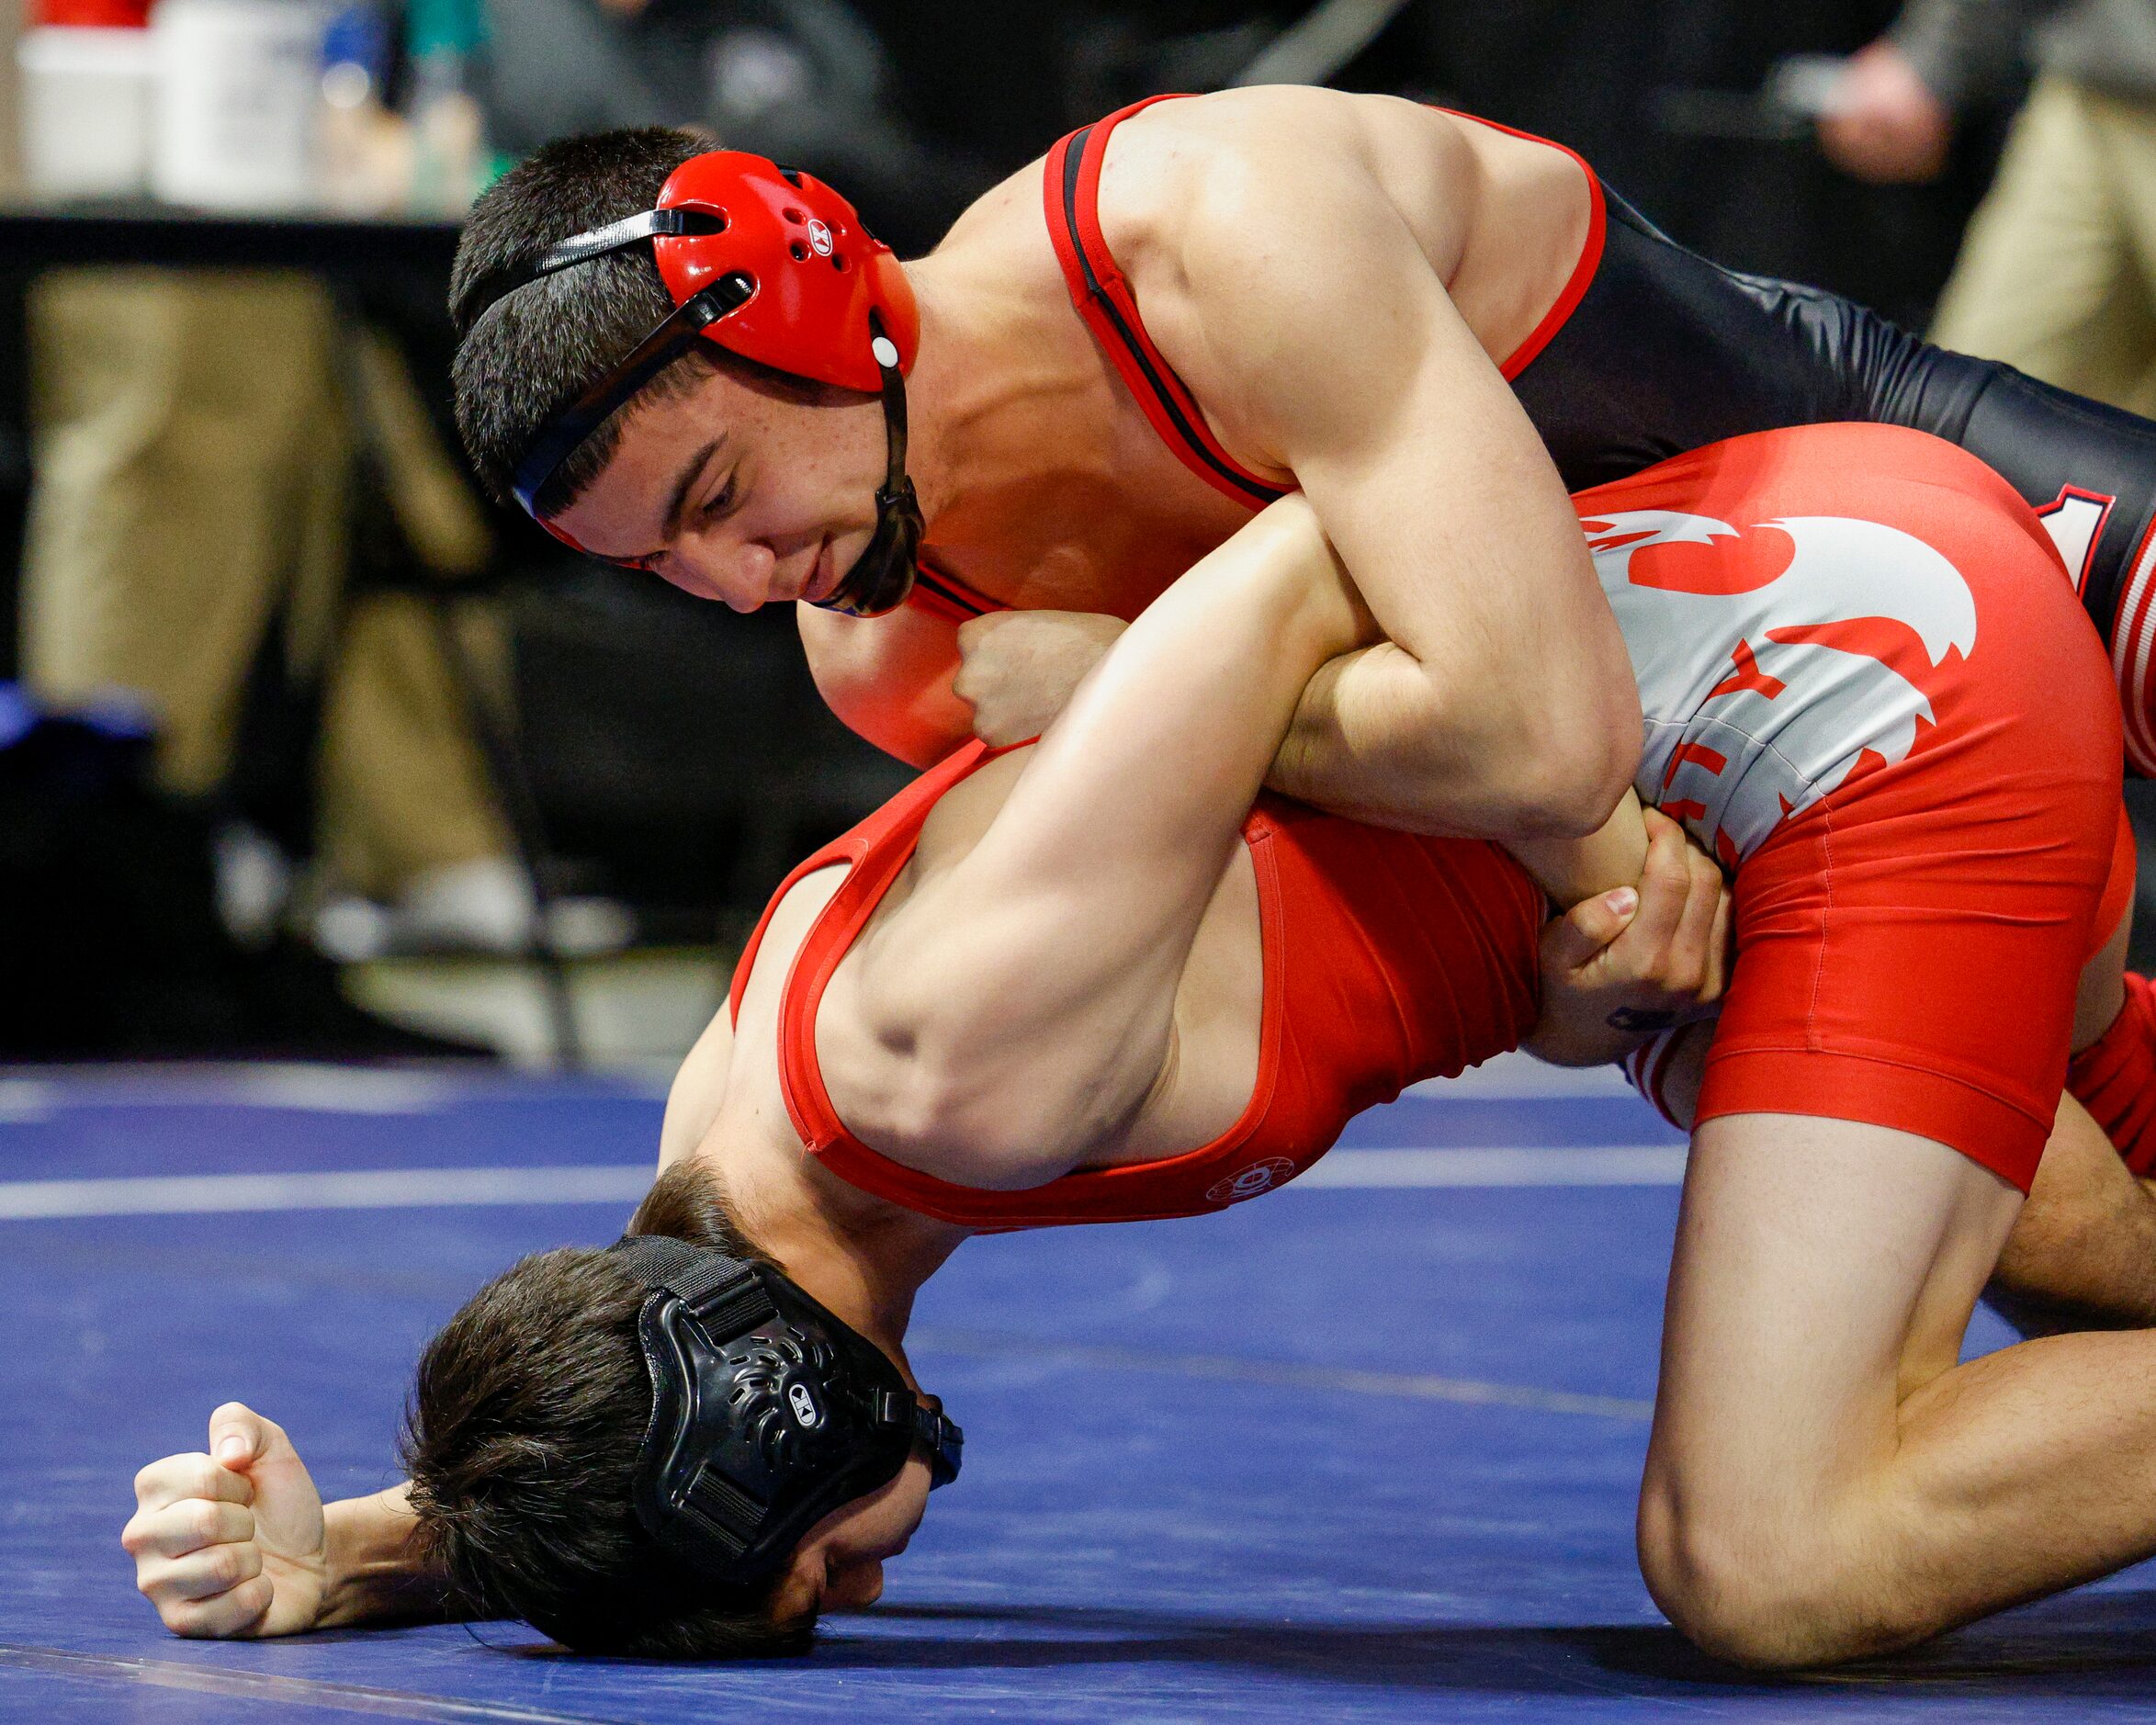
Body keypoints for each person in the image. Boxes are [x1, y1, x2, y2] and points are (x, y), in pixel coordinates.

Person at [126, 422, 2152, 1669]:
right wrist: (379, 1554)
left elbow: (1299, 561)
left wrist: (1601, 853)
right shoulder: (738, 1161)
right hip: (1769, 734)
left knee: (1770, 1556)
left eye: (791, 1581)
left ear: (784, 1424)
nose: (841, 1599)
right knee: (2088, 1242)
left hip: (1845, 707)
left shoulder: (955, 1054)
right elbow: (633, 1405)